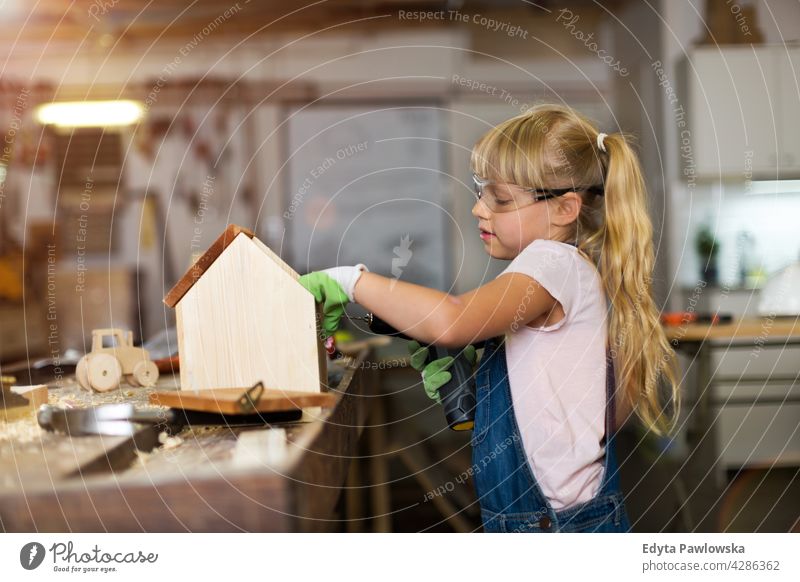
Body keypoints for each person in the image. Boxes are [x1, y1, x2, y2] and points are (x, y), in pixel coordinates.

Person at [299, 103, 680, 532]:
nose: (480, 208)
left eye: (499, 198)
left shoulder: (551, 263)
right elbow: (565, 410)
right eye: (480, 192)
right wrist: (483, 387)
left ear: (564, 208)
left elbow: (453, 317)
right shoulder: (554, 272)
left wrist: (349, 282)